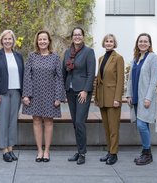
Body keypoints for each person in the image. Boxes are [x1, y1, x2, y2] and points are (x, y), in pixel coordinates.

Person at [22, 30, 65, 163]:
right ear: (37, 41)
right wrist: (26, 95)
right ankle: (39, 150)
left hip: (50, 95)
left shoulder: (55, 57)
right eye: (40, 39)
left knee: (48, 122)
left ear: (49, 41)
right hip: (34, 94)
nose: (42, 41)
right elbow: (27, 76)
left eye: (44, 39)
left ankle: (47, 151)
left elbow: (59, 77)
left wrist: (58, 96)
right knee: (36, 121)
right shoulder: (31, 56)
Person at [63, 27, 96, 165]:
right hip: (70, 91)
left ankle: (82, 153)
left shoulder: (88, 52)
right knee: (75, 124)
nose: (77, 37)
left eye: (79, 34)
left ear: (83, 36)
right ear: (72, 37)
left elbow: (91, 73)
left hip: (82, 92)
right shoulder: (67, 52)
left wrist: (85, 90)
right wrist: (63, 91)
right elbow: (63, 72)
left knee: (79, 122)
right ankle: (79, 150)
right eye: (75, 35)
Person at [0, 30, 24, 162]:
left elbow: (23, 74)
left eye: (10, 39)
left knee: (12, 122)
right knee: (3, 121)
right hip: (2, 93)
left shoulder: (18, 56)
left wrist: (24, 93)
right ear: (1, 40)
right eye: (5, 39)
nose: (8, 41)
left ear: (13, 41)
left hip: (16, 92)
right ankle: (4, 150)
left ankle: (11, 148)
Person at [126, 33, 157, 165]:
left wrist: (148, 98)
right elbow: (129, 79)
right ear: (137, 43)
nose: (143, 43)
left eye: (146, 41)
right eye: (140, 41)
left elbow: (154, 79)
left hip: (145, 98)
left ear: (149, 44)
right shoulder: (136, 58)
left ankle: (147, 153)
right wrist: (128, 94)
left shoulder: (153, 58)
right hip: (135, 97)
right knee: (143, 124)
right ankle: (145, 153)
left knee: (141, 124)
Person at [94, 34, 124, 165]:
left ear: (114, 43)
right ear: (103, 43)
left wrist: (117, 98)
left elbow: (120, 80)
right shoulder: (101, 58)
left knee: (113, 128)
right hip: (102, 97)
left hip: (113, 99)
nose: (109, 43)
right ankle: (109, 151)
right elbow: (99, 79)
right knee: (106, 127)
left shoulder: (118, 58)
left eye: (111, 41)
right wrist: (96, 96)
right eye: (106, 41)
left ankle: (114, 153)